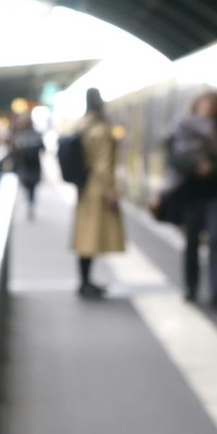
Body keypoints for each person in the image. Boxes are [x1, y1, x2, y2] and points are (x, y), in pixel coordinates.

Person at [164, 90, 217, 311]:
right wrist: (196, 167)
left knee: (216, 240)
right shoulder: (183, 126)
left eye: (213, 104)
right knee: (192, 242)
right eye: (205, 103)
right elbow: (173, 157)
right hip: (191, 193)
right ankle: (191, 288)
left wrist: (213, 168)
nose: (208, 108)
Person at [70, 88, 125, 299]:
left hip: (84, 187)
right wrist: (110, 190)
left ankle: (85, 281)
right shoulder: (100, 129)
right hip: (97, 188)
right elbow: (103, 163)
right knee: (90, 238)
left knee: (84, 236)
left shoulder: (83, 124)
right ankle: (85, 283)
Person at [9, 111, 45, 220]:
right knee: (29, 185)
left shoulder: (22, 134)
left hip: (29, 165)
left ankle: (30, 202)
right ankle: (30, 201)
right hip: (27, 164)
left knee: (30, 185)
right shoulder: (21, 133)